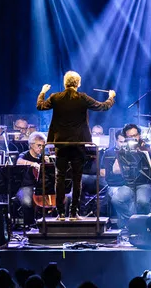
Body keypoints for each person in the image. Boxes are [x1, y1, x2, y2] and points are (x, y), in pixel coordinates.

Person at [36, 71, 115, 220]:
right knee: (77, 179)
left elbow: (40, 106)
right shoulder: (82, 98)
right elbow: (103, 107)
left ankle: (60, 213)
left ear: (65, 83)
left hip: (61, 143)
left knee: (59, 178)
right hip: (78, 143)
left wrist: (42, 92)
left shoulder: (55, 97)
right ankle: (73, 213)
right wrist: (111, 97)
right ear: (78, 83)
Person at [16, 132, 47, 227]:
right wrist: (32, 164)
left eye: (43, 146)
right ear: (31, 145)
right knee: (27, 202)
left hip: (40, 186)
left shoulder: (43, 156)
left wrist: (48, 162)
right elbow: (19, 162)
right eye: (39, 145)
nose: (41, 148)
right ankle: (29, 225)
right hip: (25, 186)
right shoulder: (24, 155)